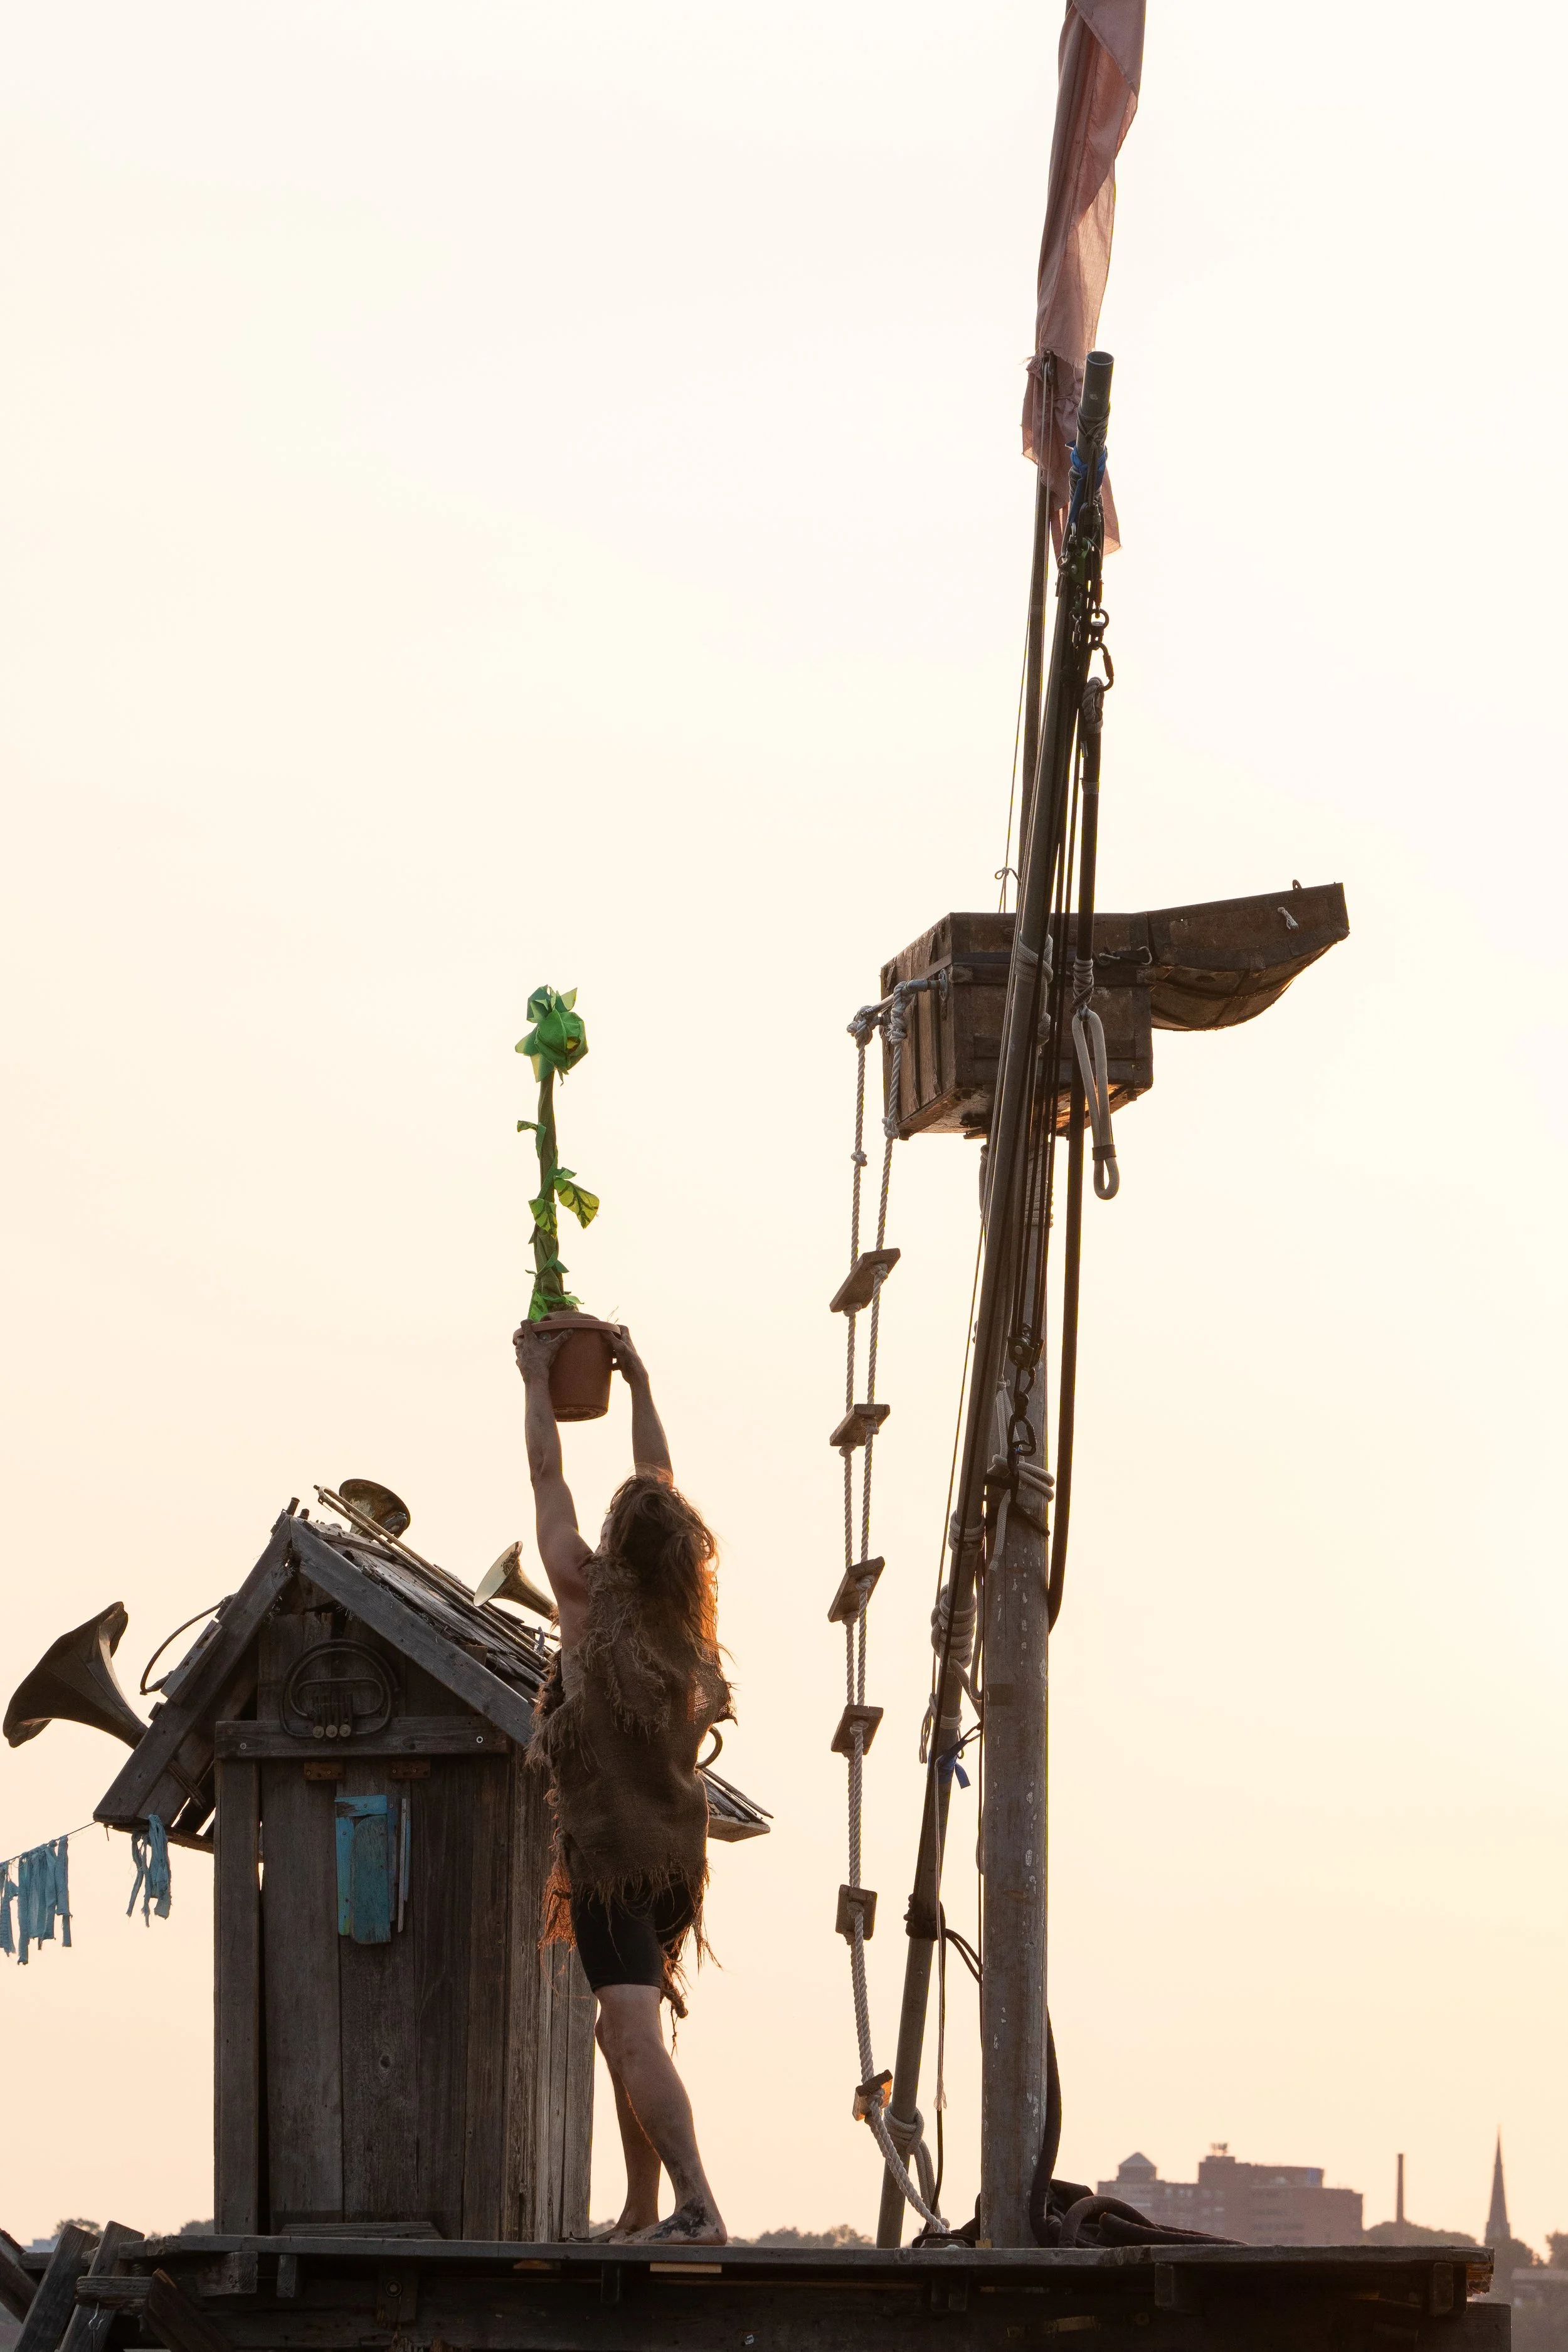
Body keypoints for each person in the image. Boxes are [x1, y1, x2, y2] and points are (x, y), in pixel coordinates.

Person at [514, 1320, 729, 2246]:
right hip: (680, 1862)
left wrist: (533, 1378)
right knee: (619, 2029)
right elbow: (661, 1485)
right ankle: (644, 2207)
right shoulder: (687, 1617)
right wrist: (638, 1380)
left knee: (630, 2028)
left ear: (616, 1542)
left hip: (610, 1865)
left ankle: (696, 2205)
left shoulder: (583, 1593)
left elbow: (546, 1476)